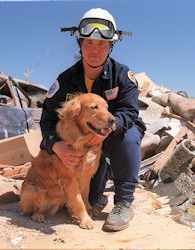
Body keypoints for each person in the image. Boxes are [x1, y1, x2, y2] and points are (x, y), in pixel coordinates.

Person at [39, 8, 146, 231]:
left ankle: (124, 202)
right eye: (89, 43)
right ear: (80, 45)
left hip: (114, 135)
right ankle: (102, 176)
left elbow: (129, 113)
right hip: (82, 144)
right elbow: (47, 120)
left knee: (128, 137)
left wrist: (108, 130)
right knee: (91, 197)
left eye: (102, 45)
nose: (95, 50)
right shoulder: (66, 80)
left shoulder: (122, 76)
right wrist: (55, 145)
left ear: (110, 47)